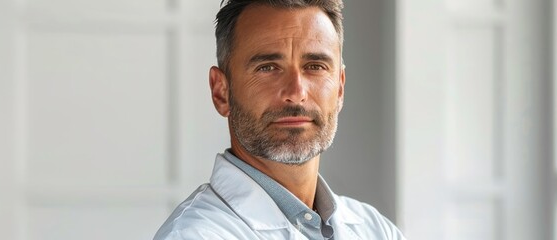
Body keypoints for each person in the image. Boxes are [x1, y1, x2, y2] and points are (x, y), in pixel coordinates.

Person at [154, 0, 406, 239]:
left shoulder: (377, 230)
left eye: (315, 66)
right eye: (268, 67)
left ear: (340, 89)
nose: (296, 93)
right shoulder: (195, 235)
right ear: (221, 92)